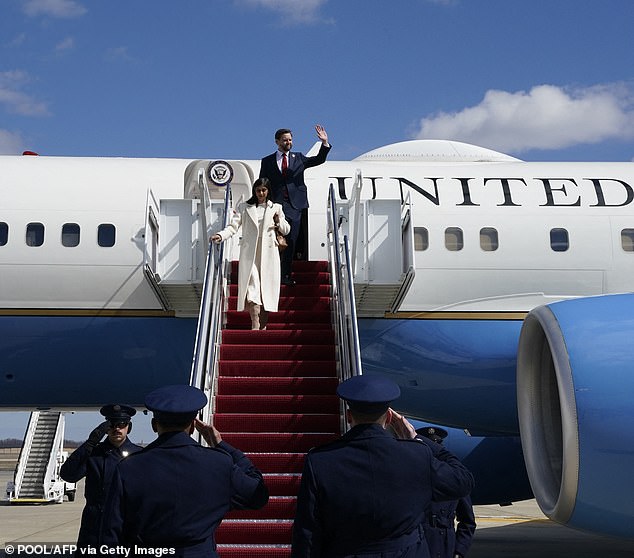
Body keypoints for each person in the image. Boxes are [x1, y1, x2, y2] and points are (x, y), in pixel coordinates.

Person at [291, 375, 475, 558]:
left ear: (348, 416)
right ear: (388, 417)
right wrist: (418, 440)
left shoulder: (321, 461)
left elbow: (307, 534)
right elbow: (462, 480)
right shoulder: (417, 455)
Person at [100, 384, 269, 557]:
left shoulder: (128, 468)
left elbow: (111, 535)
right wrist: (221, 445)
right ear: (193, 427)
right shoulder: (220, 463)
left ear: (154, 425)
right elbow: (258, 496)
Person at [212, 177, 290, 330]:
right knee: (253, 285)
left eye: (263, 190)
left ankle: (263, 326)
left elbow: (287, 229)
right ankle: (255, 323)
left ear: (268, 191)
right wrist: (221, 235)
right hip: (250, 252)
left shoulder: (276, 208)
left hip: (269, 252)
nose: (261, 193)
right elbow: (233, 227)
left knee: (266, 289)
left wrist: (278, 221)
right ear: (254, 191)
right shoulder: (244, 207)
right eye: (258, 190)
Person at [60, 404, 141, 548]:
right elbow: (68, 475)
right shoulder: (94, 454)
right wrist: (90, 443)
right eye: (112, 425)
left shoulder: (139, 455)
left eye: (122, 424)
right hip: (95, 530)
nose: (117, 429)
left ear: (129, 427)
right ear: (106, 428)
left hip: (127, 528)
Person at [259, 125, 331, 285]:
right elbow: (262, 184)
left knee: (291, 241)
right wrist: (257, 203)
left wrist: (324, 143)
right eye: (285, 140)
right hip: (276, 206)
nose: (288, 142)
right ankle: (271, 275)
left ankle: (285, 276)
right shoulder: (267, 161)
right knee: (275, 240)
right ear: (277, 141)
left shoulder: (298, 158)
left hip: (296, 206)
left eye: (290, 140)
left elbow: (318, 160)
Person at [416, 427, 476, 558]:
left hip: (445, 546)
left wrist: (459, 551)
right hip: (419, 543)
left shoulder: (453, 479)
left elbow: (468, 521)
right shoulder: (413, 474)